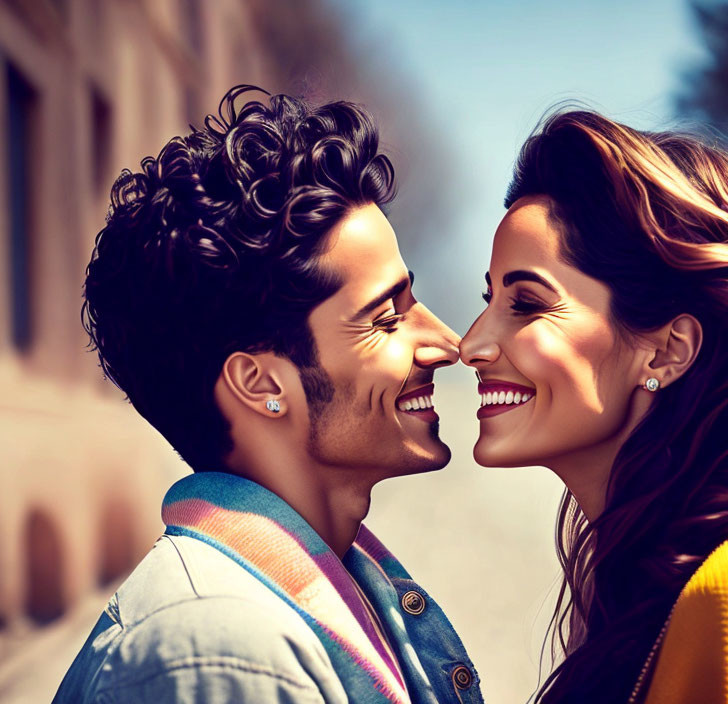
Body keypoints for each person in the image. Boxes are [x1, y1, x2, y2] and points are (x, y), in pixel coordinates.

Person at [54, 85, 482, 704]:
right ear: (260, 385)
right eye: (386, 318)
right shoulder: (218, 650)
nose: (447, 342)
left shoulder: (339, 584)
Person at [459, 109, 728, 703]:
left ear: (667, 351)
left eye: (527, 304)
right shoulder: (645, 591)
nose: (472, 345)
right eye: (489, 299)